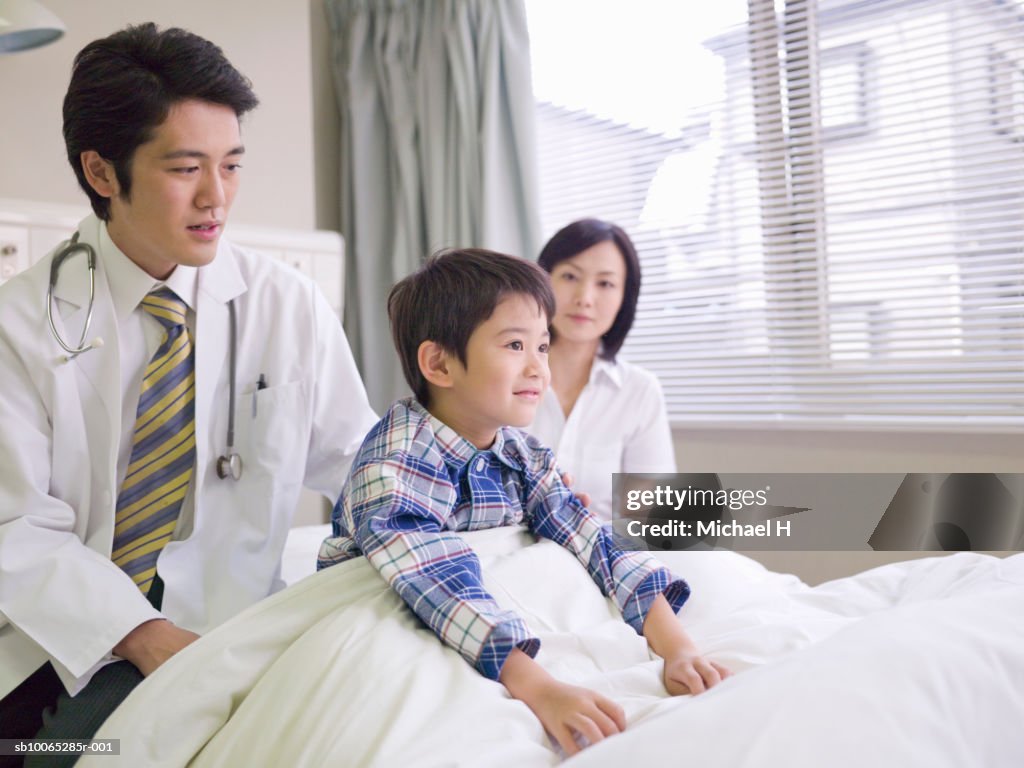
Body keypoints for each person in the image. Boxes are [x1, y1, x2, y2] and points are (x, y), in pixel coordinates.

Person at [0, 23, 377, 762]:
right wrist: (148, 638)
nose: (217, 197)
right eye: (186, 169)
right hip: (61, 640)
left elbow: (359, 462)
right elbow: (14, 526)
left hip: (228, 629)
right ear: (103, 173)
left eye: (231, 165)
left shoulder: (286, 305)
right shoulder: (19, 326)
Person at [317, 249, 729, 756]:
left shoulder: (522, 452)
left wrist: (677, 647)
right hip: (393, 610)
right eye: (515, 345)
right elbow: (438, 581)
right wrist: (542, 688)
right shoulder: (394, 463)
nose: (539, 368)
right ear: (439, 363)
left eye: (542, 345)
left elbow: (592, 538)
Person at [528, 219, 676, 522]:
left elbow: (654, 517)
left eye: (605, 283)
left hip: (602, 557)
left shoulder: (640, 391)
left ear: (625, 298)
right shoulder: (499, 374)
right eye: (570, 276)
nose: (585, 298)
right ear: (542, 281)